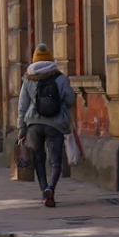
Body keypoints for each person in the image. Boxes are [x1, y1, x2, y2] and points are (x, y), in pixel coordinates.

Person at [16, 45, 73, 208]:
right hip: (55, 124)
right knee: (56, 160)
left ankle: (43, 192)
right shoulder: (61, 78)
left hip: (33, 124)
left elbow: (22, 106)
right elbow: (70, 100)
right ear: (50, 59)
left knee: (38, 159)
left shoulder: (28, 79)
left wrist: (22, 130)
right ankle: (51, 188)